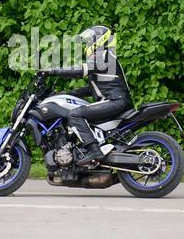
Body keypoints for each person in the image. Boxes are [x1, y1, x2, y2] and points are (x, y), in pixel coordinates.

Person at [42, 25, 133, 165]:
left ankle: (94, 151)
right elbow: (94, 89)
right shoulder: (105, 57)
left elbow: (81, 70)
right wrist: (68, 93)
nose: (88, 44)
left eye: (90, 40)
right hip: (114, 99)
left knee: (75, 114)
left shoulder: (103, 55)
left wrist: (52, 71)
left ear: (100, 40)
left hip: (115, 100)